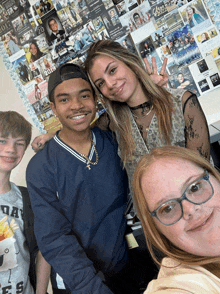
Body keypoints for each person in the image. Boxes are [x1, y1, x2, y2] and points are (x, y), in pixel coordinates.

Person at [27, 64, 158, 294]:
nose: (77, 105)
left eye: (84, 96)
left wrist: (151, 93)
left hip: (124, 270)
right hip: (78, 284)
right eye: (65, 100)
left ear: (95, 100)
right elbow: (55, 238)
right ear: (53, 108)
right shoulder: (41, 167)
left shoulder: (113, 141)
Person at [132, 145, 220, 293]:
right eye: (168, 208)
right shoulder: (179, 286)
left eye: (194, 187)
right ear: (157, 230)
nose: (190, 209)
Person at [0, 111, 50, 293]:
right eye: (2, 140)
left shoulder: (28, 198)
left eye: (19, 143)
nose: (11, 149)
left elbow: (43, 249)